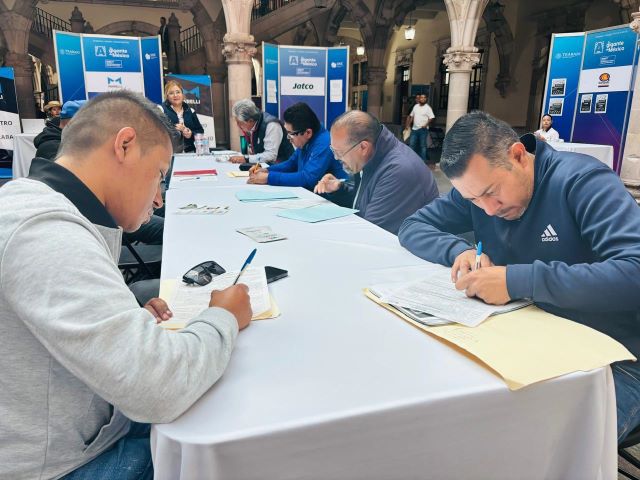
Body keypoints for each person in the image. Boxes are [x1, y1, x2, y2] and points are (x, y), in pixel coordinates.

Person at [0, 90, 252, 479]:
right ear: (125, 145)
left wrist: (122, 314)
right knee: (236, 451)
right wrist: (224, 316)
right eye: (159, 175)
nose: (158, 198)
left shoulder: (39, 208)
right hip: (65, 464)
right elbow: (159, 388)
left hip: (78, 432)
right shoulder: (47, 234)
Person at [398, 111, 640, 443]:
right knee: (452, 422)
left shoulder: (583, 182)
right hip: (528, 340)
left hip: (615, 358)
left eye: (492, 192)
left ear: (518, 155)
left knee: (535, 447)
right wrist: (459, 250)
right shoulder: (477, 190)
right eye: (473, 200)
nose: (489, 210)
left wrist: (516, 281)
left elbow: (633, 272)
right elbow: (412, 226)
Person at [314, 110, 439, 234]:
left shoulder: (398, 171)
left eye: (339, 152)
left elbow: (371, 233)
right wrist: (340, 189)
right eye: (333, 150)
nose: (336, 158)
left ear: (363, 147)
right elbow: (365, 201)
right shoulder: (371, 156)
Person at [247, 102, 347, 189]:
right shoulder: (306, 140)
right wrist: (266, 170)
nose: (288, 138)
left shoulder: (324, 143)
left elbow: (307, 179)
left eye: (290, 134)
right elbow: (291, 164)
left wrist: (268, 178)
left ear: (308, 133)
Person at [229, 99, 293, 164]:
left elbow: (270, 155)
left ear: (250, 121)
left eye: (240, 123)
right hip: (263, 165)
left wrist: (246, 159)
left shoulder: (271, 125)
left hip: (282, 166)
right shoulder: (250, 126)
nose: (238, 125)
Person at [161, 80, 204, 153]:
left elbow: (200, 131)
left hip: (190, 152)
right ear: (167, 96)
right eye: (171, 93)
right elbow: (157, 132)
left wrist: (190, 133)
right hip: (170, 152)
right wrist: (174, 129)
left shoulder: (191, 111)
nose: (175, 95)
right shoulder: (161, 110)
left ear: (182, 94)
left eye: (178, 92)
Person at [405, 93, 435, 165]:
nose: (423, 99)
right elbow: (412, 116)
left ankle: (423, 162)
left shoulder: (428, 108)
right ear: (419, 99)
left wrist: (426, 125)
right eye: (422, 97)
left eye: (424, 98)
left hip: (423, 130)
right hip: (414, 129)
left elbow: (431, 117)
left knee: (423, 146)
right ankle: (411, 160)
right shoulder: (415, 107)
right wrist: (408, 125)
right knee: (412, 145)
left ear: (426, 99)